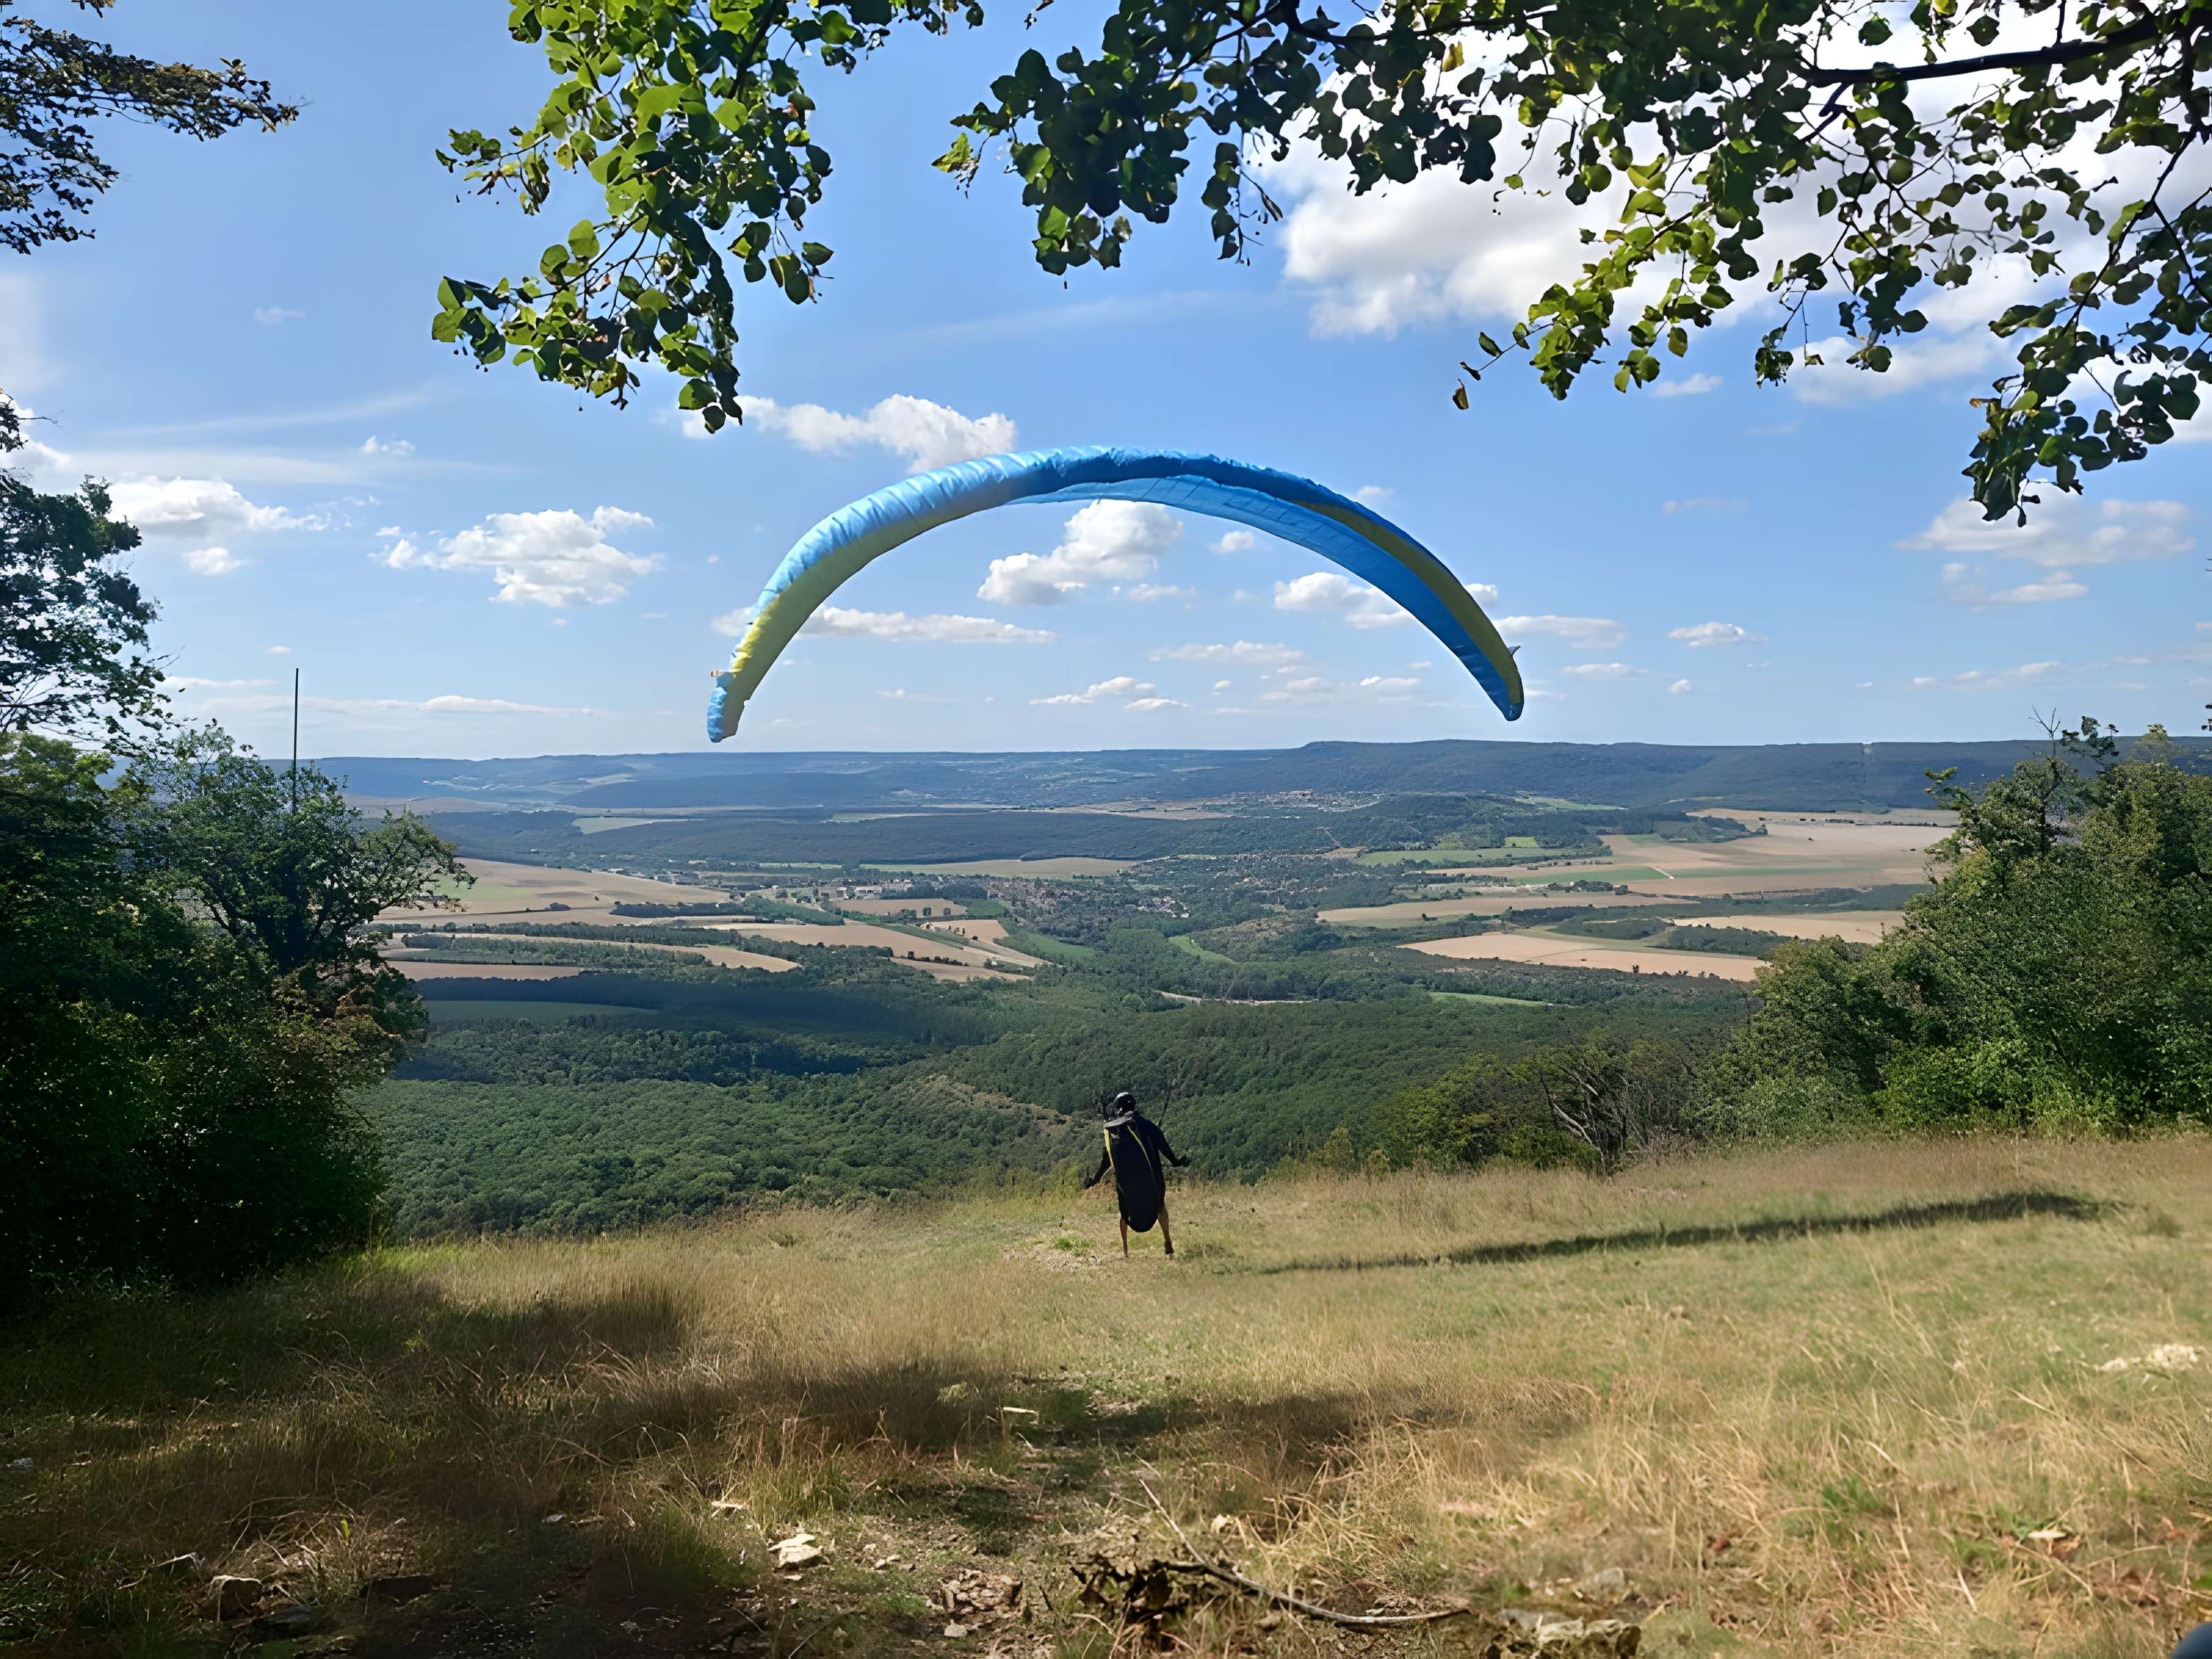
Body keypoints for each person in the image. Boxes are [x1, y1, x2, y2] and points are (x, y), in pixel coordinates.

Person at [1082, 1090, 1188, 1258]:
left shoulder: (1115, 1133)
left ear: (1119, 1110)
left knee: (1124, 1214)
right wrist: (1176, 1162)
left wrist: (1095, 1180)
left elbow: (1107, 1160)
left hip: (1128, 1186)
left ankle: (1125, 1251)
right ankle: (1167, 1241)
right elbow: (1163, 1145)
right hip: (1153, 1181)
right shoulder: (1146, 1124)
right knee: (1161, 1206)